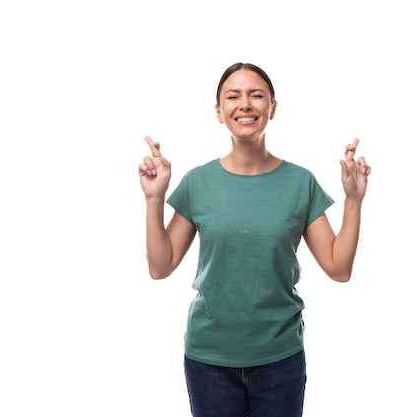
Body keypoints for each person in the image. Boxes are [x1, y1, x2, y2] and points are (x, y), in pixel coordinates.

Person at [138, 62, 371, 417]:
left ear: (272, 108)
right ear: (219, 111)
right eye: (233, 96)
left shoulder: (300, 183)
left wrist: (353, 200)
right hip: (209, 360)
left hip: (280, 360)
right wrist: (154, 199)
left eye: (256, 95)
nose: (244, 104)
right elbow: (160, 266)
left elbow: (339, 268)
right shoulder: (198, 182)